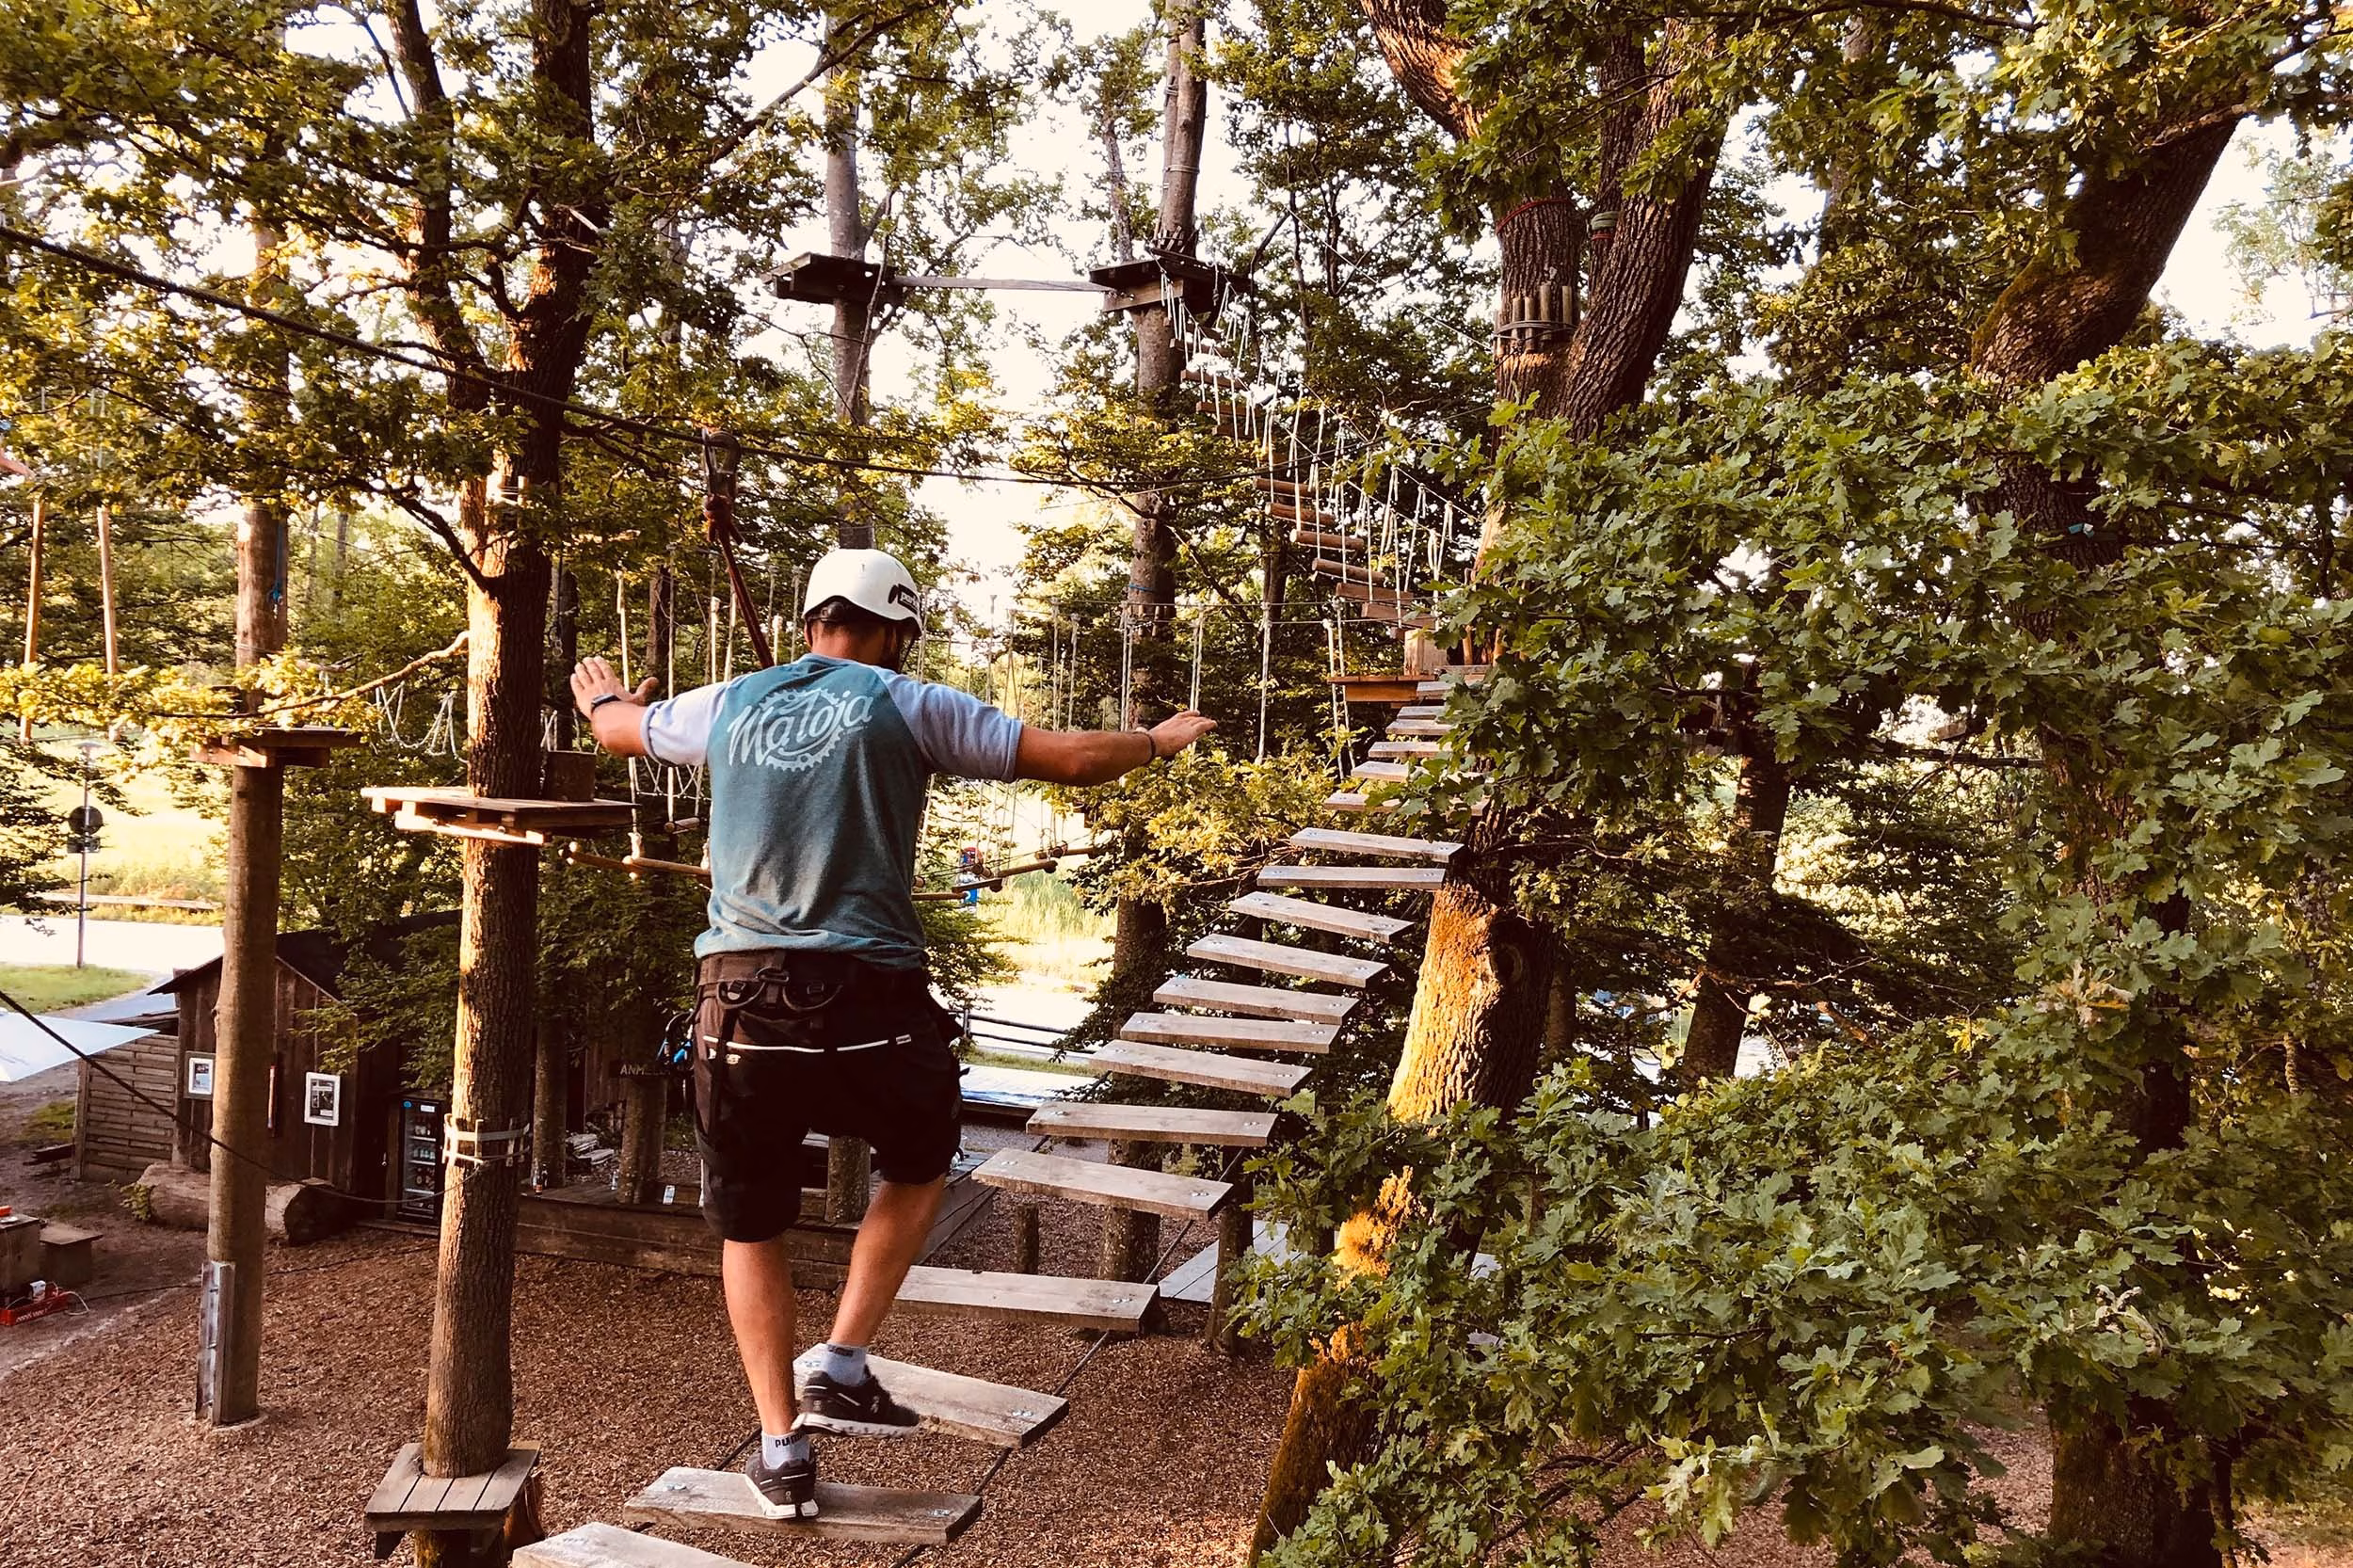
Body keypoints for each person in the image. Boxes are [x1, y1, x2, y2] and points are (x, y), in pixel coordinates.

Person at [571, 547, 1215, 1519]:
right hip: (870, 1000)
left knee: (750, 1225)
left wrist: (604, 700)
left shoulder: (729, 701)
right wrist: (1158, 742)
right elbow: (1072, 759)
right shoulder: (908, 702)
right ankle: (840, 1356)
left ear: (808, 621)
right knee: (917, 1165)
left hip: (740, 1000)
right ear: (895, 630)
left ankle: (782, 1446)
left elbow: (622, 730)